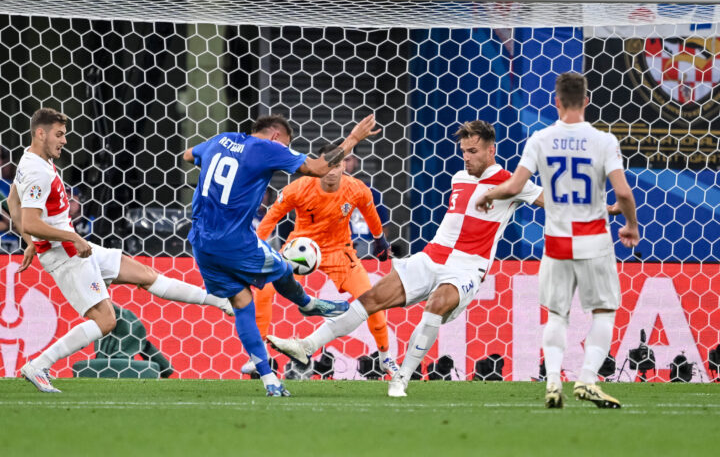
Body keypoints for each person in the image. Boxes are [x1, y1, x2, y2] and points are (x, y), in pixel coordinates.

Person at [268, 120, 545, 397]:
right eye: (463, 151)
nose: (466, 157)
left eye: (473, 151)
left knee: (436, 304)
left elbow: (553, 201)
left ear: (491, 150)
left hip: (467, 267)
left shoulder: (512, 183)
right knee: (371, 299)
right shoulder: (459, 178)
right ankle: (306, 346)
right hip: (431, 256)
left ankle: (401, 378)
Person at [8, 107, 234, 394]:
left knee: (145, 275)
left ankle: (219, 301)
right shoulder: (37, 169)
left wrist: (30, 242)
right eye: (59, 134)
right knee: (105, 321)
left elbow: (12, 199)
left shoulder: (31, 160)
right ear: (41, 133)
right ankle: (39, 365)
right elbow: (30, 219)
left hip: (72, 247)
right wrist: (65, 237)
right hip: (65, 253)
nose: (64, 141)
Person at [184, 113, 379, 397]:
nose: (286, 153)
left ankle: (268, 378)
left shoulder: (220, 140)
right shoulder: (267, 148)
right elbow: (317, 167)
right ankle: (307, 303)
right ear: (276, 137)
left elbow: (189, 154)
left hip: (201, 243)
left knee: (242, 302)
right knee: (284, 267)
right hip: (234, 242)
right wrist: (353, 139)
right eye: (288, 145)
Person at [475, 72, 639, 409]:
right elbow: (623, 191)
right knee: (604, 311)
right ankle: (588, 380)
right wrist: (630, 225)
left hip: (557, 242)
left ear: (556, 101)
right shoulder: (604, 141)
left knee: (557, 316)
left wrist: (488, 195)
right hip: (594, 240)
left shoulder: (540, 139)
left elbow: (514, 185)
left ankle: (552, 382)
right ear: (587, 101)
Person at [242, 143, 395, 377]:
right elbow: (271, 219)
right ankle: (259, 354)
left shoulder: (357, 189)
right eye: (328, 165)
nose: (332, 171)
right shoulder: (299, 187)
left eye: (338, 164)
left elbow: (371, 214)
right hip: (299, 251)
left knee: (372, 300)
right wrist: (257, 249)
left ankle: (385, 357)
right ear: (320, 164)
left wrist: (380, 241)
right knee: (264, 290)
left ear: (344, 165)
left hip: (339, 251)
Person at [343, 153, 390, 258]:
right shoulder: (324, 193)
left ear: (356, 161)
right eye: (339, 161)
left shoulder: (370, 192)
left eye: (347, 160)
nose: (343, 165)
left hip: (364, 247)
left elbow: (384, 227)